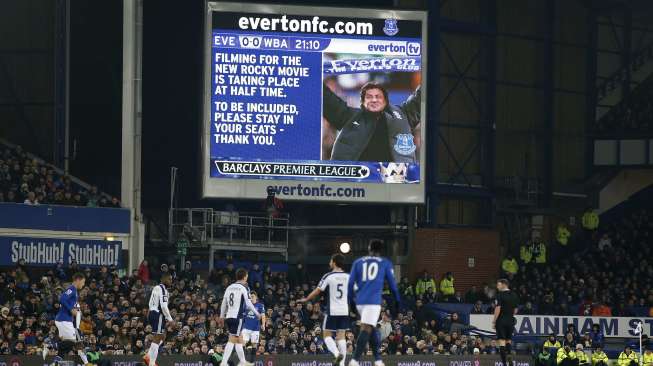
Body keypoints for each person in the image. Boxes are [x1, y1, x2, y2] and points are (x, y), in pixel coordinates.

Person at [322, 81, 421, 162]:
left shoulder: (405, 114)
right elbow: (325, 98)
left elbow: (423, 94)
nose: (374, 100)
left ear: (386, 101)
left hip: (396, 180)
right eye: (369, 97)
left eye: (378, 96)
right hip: (356, 181)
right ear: (362, 102)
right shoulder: (349, 117)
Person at [347, 240, 400, 366]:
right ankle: (355, 360)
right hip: (373, 302)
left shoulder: (358, 262)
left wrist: (351, 302)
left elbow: (350, 284)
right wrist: (397, 302)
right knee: (366, 328)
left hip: (359, 301)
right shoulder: (385, 263)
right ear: (381, 250)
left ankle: (378, 360)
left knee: (371, 327)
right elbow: (393, 286)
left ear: (369, 248)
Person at [298, 254, 350, 366]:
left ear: (334, 262)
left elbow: (318, 290)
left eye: (331, 260)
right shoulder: (348, 276)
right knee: (341, 336)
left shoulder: (329, 276)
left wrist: (306, 298)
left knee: (326, 335)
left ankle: (337, 354)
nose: (329, 262)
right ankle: (342, 364)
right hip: (345, 310)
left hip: (333, 310)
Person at [218, 268, 261, 366]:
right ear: (245, 276)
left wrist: (221, 316)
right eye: (247, 276)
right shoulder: (244, 287)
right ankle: (224, 363)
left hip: (229, 316)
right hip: (238, 317)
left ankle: (243, 362)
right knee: (232, 339)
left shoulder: (229, 287)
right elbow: (248, 303)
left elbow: (224, 303)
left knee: (239, 339)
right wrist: (257, 313)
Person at [54, 272, 89, 365]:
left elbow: (72, 306)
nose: (83, 284)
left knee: (68, 345)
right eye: (83, 282)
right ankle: (51, 345)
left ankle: (55, 363)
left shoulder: (75, 291)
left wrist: (76, 310)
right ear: (78, 280)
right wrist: (71, 310)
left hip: (65, 320)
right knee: (75, 342)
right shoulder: (72, 289)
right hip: (64, 320)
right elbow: (62, 298)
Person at [144, 273, 174, 366]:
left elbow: (150, 302)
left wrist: (150, 312)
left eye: (171, 279)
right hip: (158, 314)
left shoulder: (156, 287)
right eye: (169, 279)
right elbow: (164, 306)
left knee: (163, 336)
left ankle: (148, 356)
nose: (171, 281)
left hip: (152, 312)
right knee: (158, 337)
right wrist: (170, 319)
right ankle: (152, 362)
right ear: (163, 279)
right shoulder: (163, 289)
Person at [494, 278, 519, 366]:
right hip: (510, 321)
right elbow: (515, 310)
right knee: (508, 341)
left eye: (498, 284)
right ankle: (509, 354)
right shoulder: (514, 295)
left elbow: (498, 308)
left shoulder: (499, 295)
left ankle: (504, 363)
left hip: (501, 321)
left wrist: (494, 321)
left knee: (501, 342)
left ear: (504, 284)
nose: (497, 287)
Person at [241, 292, 265, 363]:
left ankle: (252, 361)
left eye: (252, 296)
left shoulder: (260, 305)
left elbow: (263, 315)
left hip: (255, 328)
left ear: (256, 297)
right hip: (246, 327)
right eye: (250, 297)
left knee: (254, 344)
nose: (251, 298)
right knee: (243, 343)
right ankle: (243, 360)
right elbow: (242, 315)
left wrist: (263, 324)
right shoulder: (246, 304)